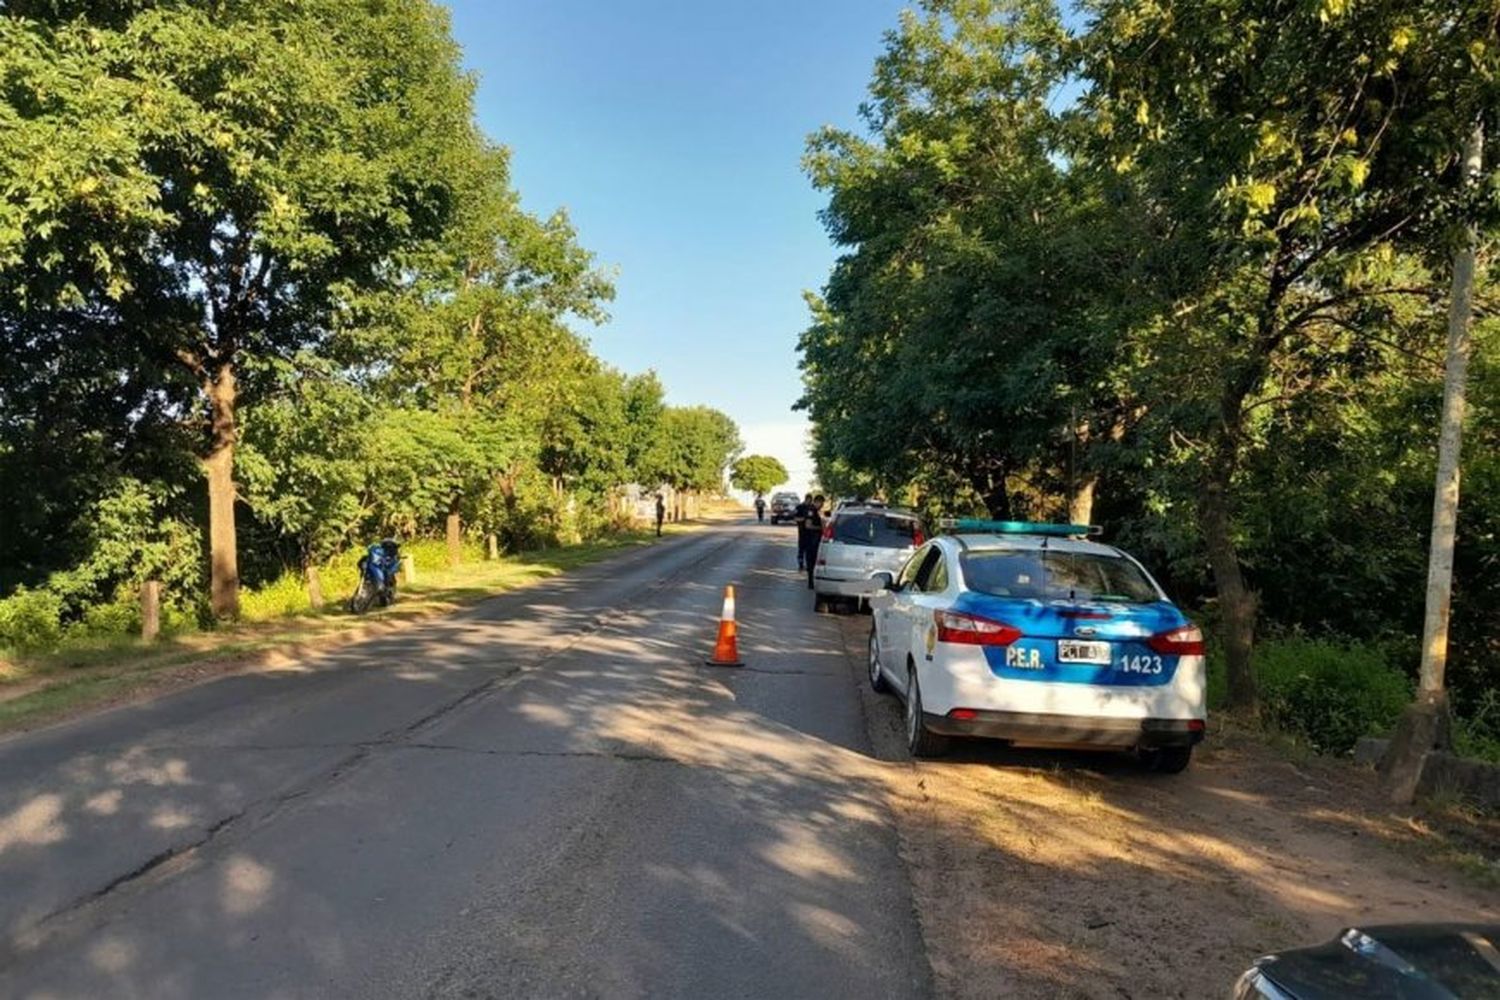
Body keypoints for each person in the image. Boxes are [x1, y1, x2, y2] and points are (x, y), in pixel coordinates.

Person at [798, 494, 827, 588]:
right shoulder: (811, 511)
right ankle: (811, 582)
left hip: (812, 539)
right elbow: (808, 525)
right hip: (810, 539)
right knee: (811, 561)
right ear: (817, 501)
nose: (822, 505)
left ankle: (812, 581)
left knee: (813, 561)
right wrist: (820, 528)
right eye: (821, 503)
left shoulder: (815, 511)